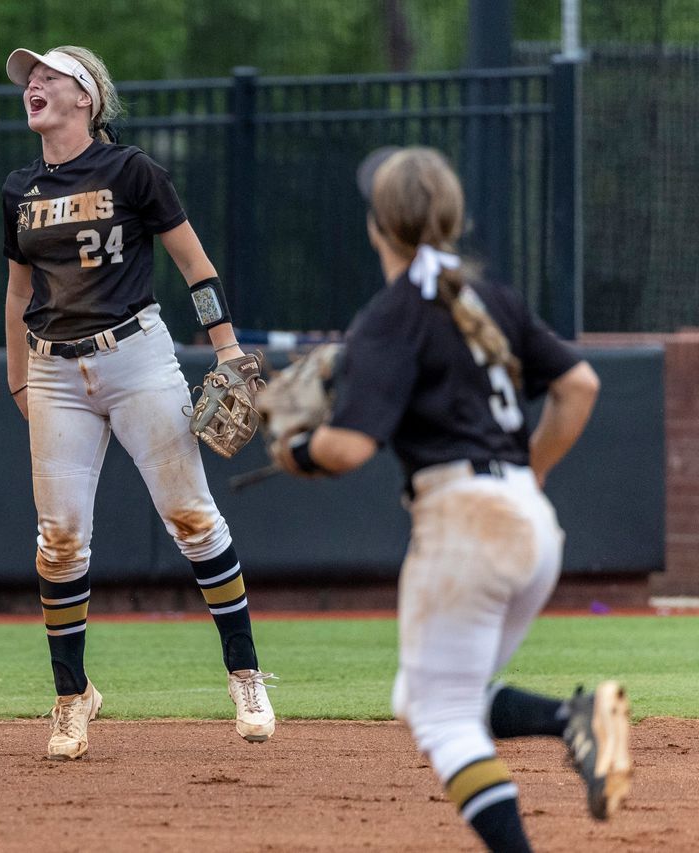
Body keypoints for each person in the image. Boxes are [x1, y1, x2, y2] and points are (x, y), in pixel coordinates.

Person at [274, 146, 629, 850]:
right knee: (429, 695)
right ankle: (575, 719)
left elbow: (346, 450)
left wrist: (294, 448)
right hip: (531, 523)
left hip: (465, 525)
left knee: (441, 717)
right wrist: (533, 468)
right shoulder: (490, 299)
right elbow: (579, 385)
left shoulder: (393, 312)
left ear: (379, 226)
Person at [2, 45, 276, 761]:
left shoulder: (132, 170)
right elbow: (17, 293)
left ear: (85, 96)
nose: (33, 83)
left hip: (136, 356)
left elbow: (195, 264)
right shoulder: (19, 187)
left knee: (192, 517)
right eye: (30, 78)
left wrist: (224, 347)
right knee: (59, 538)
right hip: (54, 368)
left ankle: (245, 675)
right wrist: (17, 379)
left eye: (49, 76)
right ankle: (72, 697)